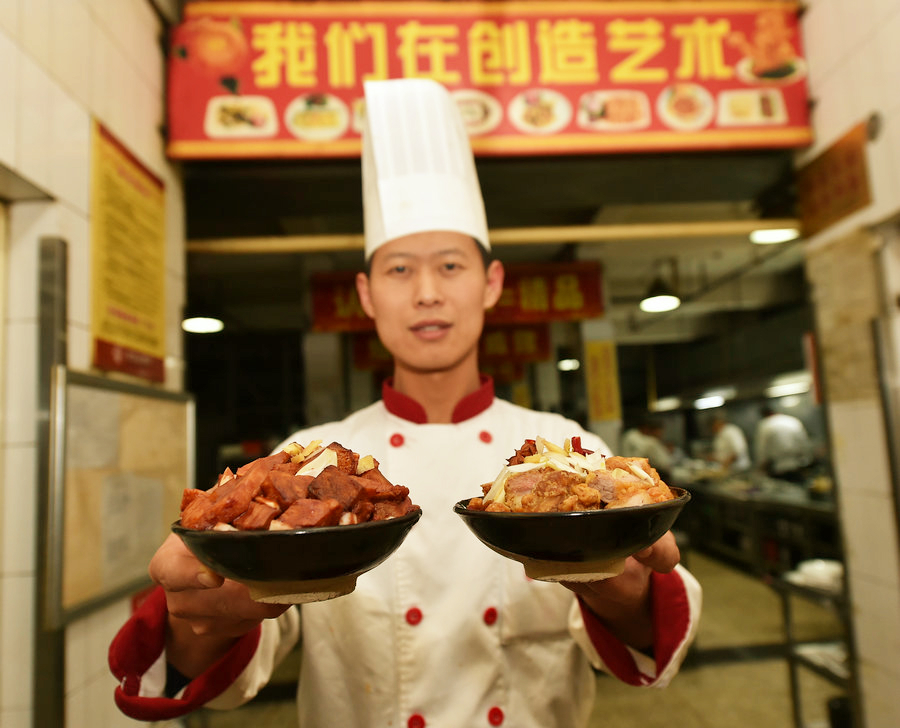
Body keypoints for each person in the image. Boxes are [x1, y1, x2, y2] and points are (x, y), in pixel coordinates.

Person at [109, 79, 701, 728]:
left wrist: (616, 579)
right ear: (365, 293)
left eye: (450, 266)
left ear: (492, 283)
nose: (426, 293)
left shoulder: (573, 451)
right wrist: (200, 611)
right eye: (398, 270)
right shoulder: (308, 460)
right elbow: (218, 663)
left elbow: (656, 641)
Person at [754, 405, 814, 481]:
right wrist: (807, 460)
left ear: (764, 415)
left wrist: (761, 468)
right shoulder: (792, 421)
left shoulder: (765, 425)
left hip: (777, 469)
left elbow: (762, 450)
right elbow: (804, 443)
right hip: (797, 466)